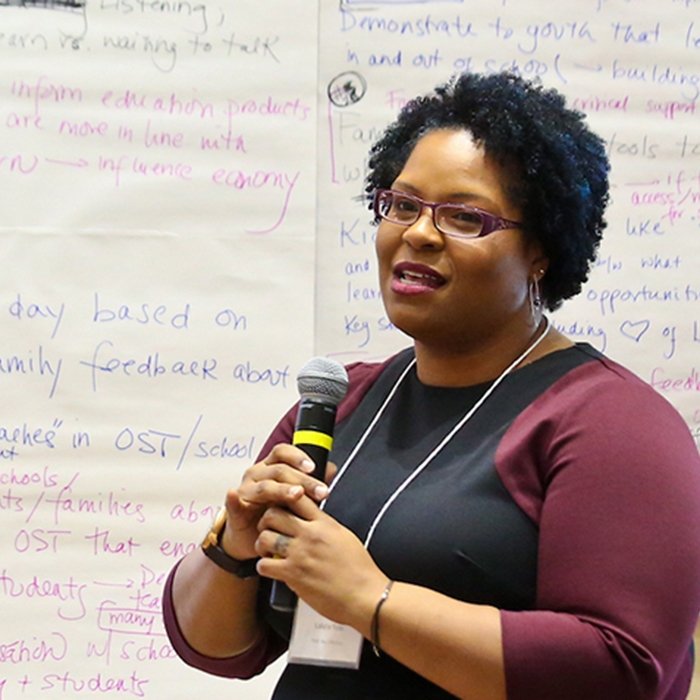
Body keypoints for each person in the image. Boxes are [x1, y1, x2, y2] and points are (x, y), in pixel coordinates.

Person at [163, 71, 700, 699]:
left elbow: (622, 669)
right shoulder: (339, 406)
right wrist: (232, 544)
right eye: (403, 205)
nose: (417, 232)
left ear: (542, 250)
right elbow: (221, 649)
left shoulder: (610, 422)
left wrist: (372, 601)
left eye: (464, 217)